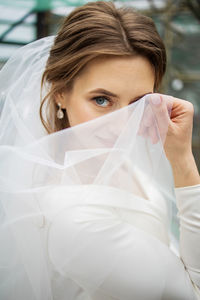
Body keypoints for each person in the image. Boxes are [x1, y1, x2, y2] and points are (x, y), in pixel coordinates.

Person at [0, 1, 199, 300]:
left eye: (137, 104)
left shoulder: (99, 153)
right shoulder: (74, 221)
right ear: (60, 93)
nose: (122, 126)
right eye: (102, 100)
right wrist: (183, 161)